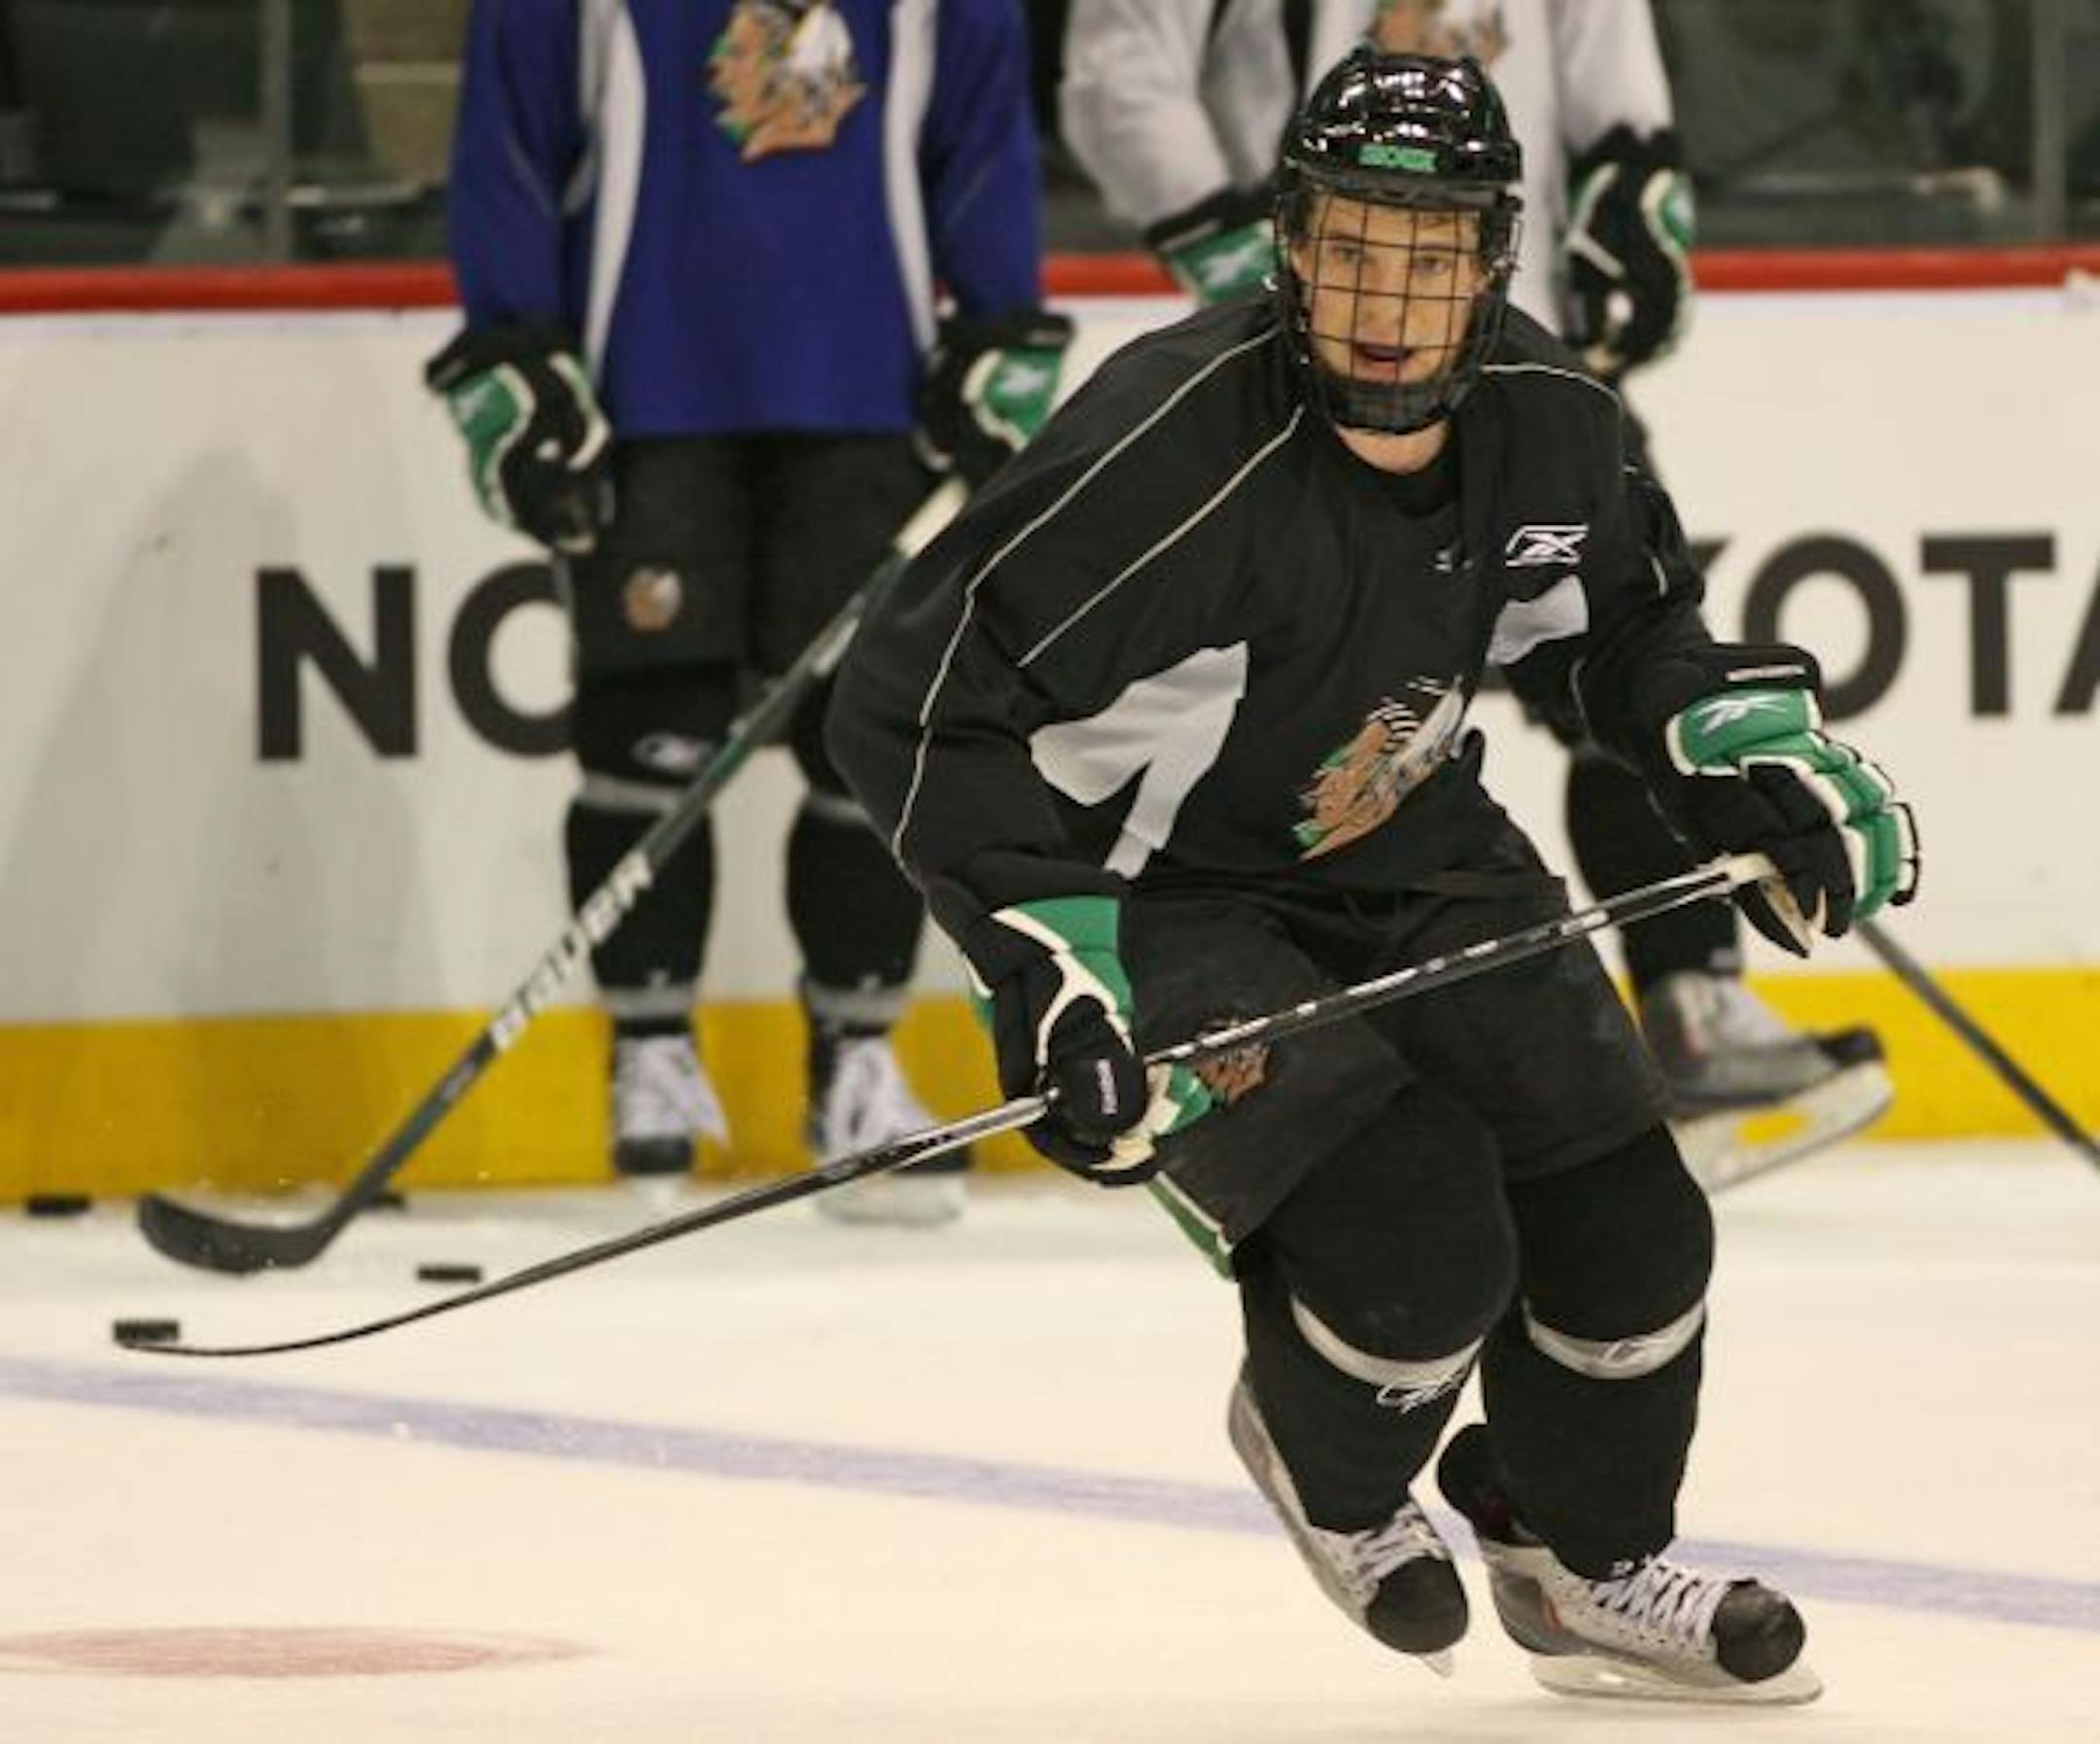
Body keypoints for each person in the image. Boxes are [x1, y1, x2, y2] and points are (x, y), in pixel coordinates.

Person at [829, 50, 1917, 1697]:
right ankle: (1332, 1461)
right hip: (1166, 894)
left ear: (1494, 260)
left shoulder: (1552, 418)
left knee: (1636, 1234)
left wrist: (1729, 755)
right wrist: (1043, 951)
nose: (1387, 298)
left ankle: (1582, 1559)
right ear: (1289, 245)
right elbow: (910, 696)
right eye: (1351, 243)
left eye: (1431, 251)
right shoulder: (1174, 443)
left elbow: (1619, 629)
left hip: (1411, 841)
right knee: (1421, 1254)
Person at [1057, 0, 1891, 1187]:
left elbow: (1603, 53)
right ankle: (1275, 1042)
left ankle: (1692, 995)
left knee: (1622, 651)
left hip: (1508, 346)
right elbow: (1120, 67)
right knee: (1304, 714)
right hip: (1310, 370)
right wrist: (1229, 231)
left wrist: (1632, 173)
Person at [429, 0, 1069, 1225]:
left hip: (865, 397)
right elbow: (505, 148)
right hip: (646, 395)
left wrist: (997, 320)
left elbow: (981, 142)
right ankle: (653, 1053)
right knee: (648, 736)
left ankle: (856, 1059)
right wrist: (512, 346)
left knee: (866, 741)